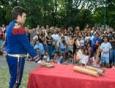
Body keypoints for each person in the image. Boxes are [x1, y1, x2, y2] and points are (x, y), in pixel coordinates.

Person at [4, 6, 39, 88]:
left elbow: (8, 42)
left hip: (12, 56)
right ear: (19, 17)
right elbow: (27, 46)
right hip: (17, 58)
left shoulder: (11, 25)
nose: (25, 18)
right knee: (16, 82)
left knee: (13, 79)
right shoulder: (18, 28)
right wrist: (39, 60)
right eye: (24, 16)